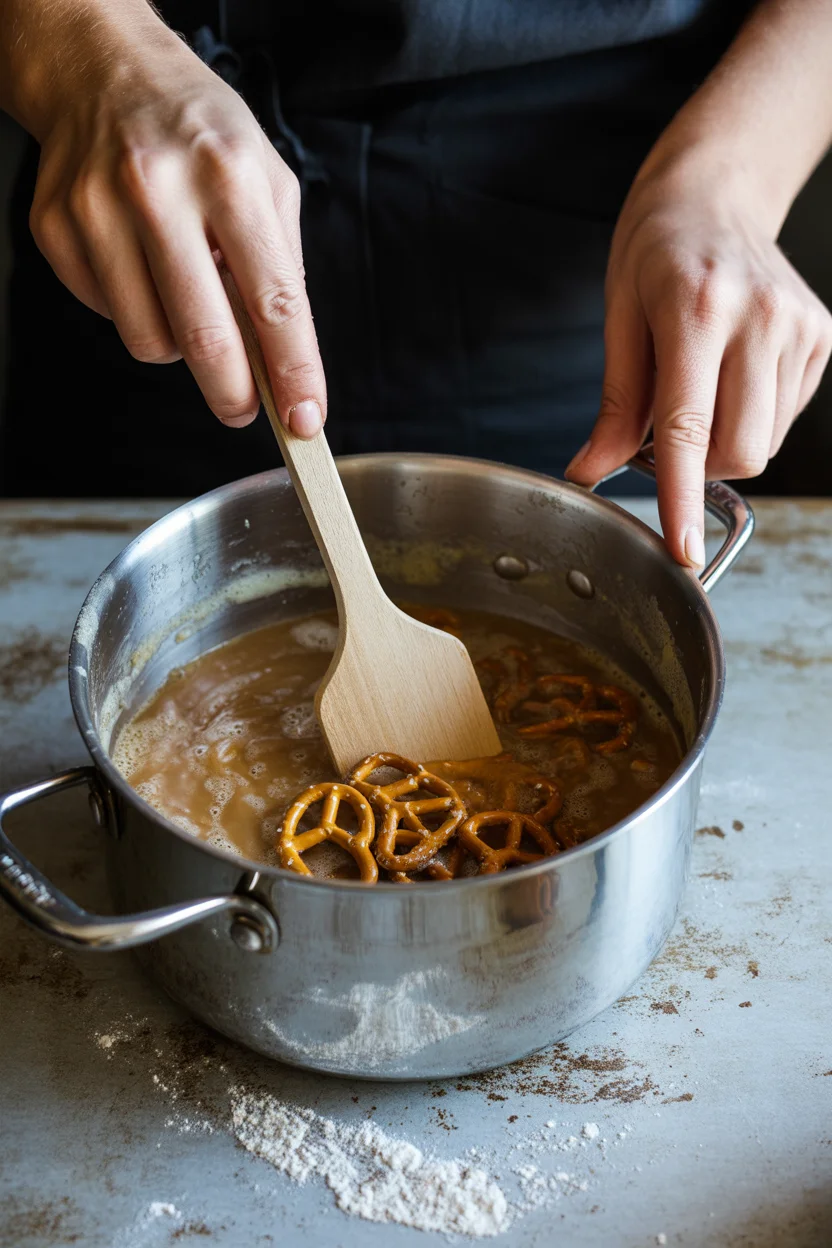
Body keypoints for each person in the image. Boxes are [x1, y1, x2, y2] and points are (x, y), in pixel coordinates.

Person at [1, 1, 831, 570]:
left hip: (594, 254)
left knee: (581, 525)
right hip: (143, 222)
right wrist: (83, 41)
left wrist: (731, 177)